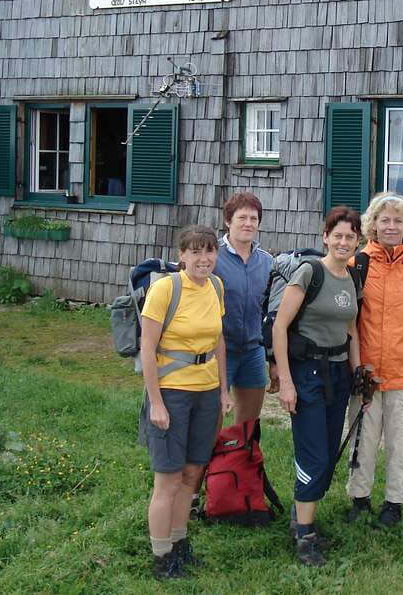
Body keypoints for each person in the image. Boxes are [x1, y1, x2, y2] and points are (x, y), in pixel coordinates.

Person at [139, 225, 233, 580]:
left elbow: (219, 342)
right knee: (168, 478)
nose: (203, 259)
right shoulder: (165, 289)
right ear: (182, 256)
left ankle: (179, 544)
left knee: (193, 473)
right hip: (172, 393)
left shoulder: (216, 287)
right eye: (195, 252)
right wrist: (156, 403)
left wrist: (223, 390)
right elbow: (147, 347)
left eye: (209, 251)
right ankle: (161, 556)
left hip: (207, 392)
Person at [274, 206, 364, 567]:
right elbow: (280, 327)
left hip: (339, 374)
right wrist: (286, 382)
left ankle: (302, 516)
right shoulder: (309, 272)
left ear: (359, 241)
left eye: (351, 236)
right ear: (325, 237)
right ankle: (305, 536)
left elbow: (352, 329)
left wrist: (359, 374)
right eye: (337, 235)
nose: (344, 242)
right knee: (313, 453)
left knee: (328, 449)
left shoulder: (352, 278)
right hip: (307, 372)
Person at [346, 192, 403, 527]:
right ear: (373, 224)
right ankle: (359, 497)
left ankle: (395, 502)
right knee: (363, 440)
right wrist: (353, 366)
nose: (391, 226)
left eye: (398, 220)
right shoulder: (358, 264)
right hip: (367, 371)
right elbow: (350, 320)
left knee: (401, 442)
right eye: (384, 219)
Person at [214, 191, 276, 423]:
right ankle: (208, 460)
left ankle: (238, 460)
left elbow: (270, 315)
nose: (248, 224)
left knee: (247, 426)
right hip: (219, 351)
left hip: (252, 351)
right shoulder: (213, 258)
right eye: (242, 218)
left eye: (253, 219)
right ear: (228, 221)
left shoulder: (267, 262)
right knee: (212, 420)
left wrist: (273, 360)